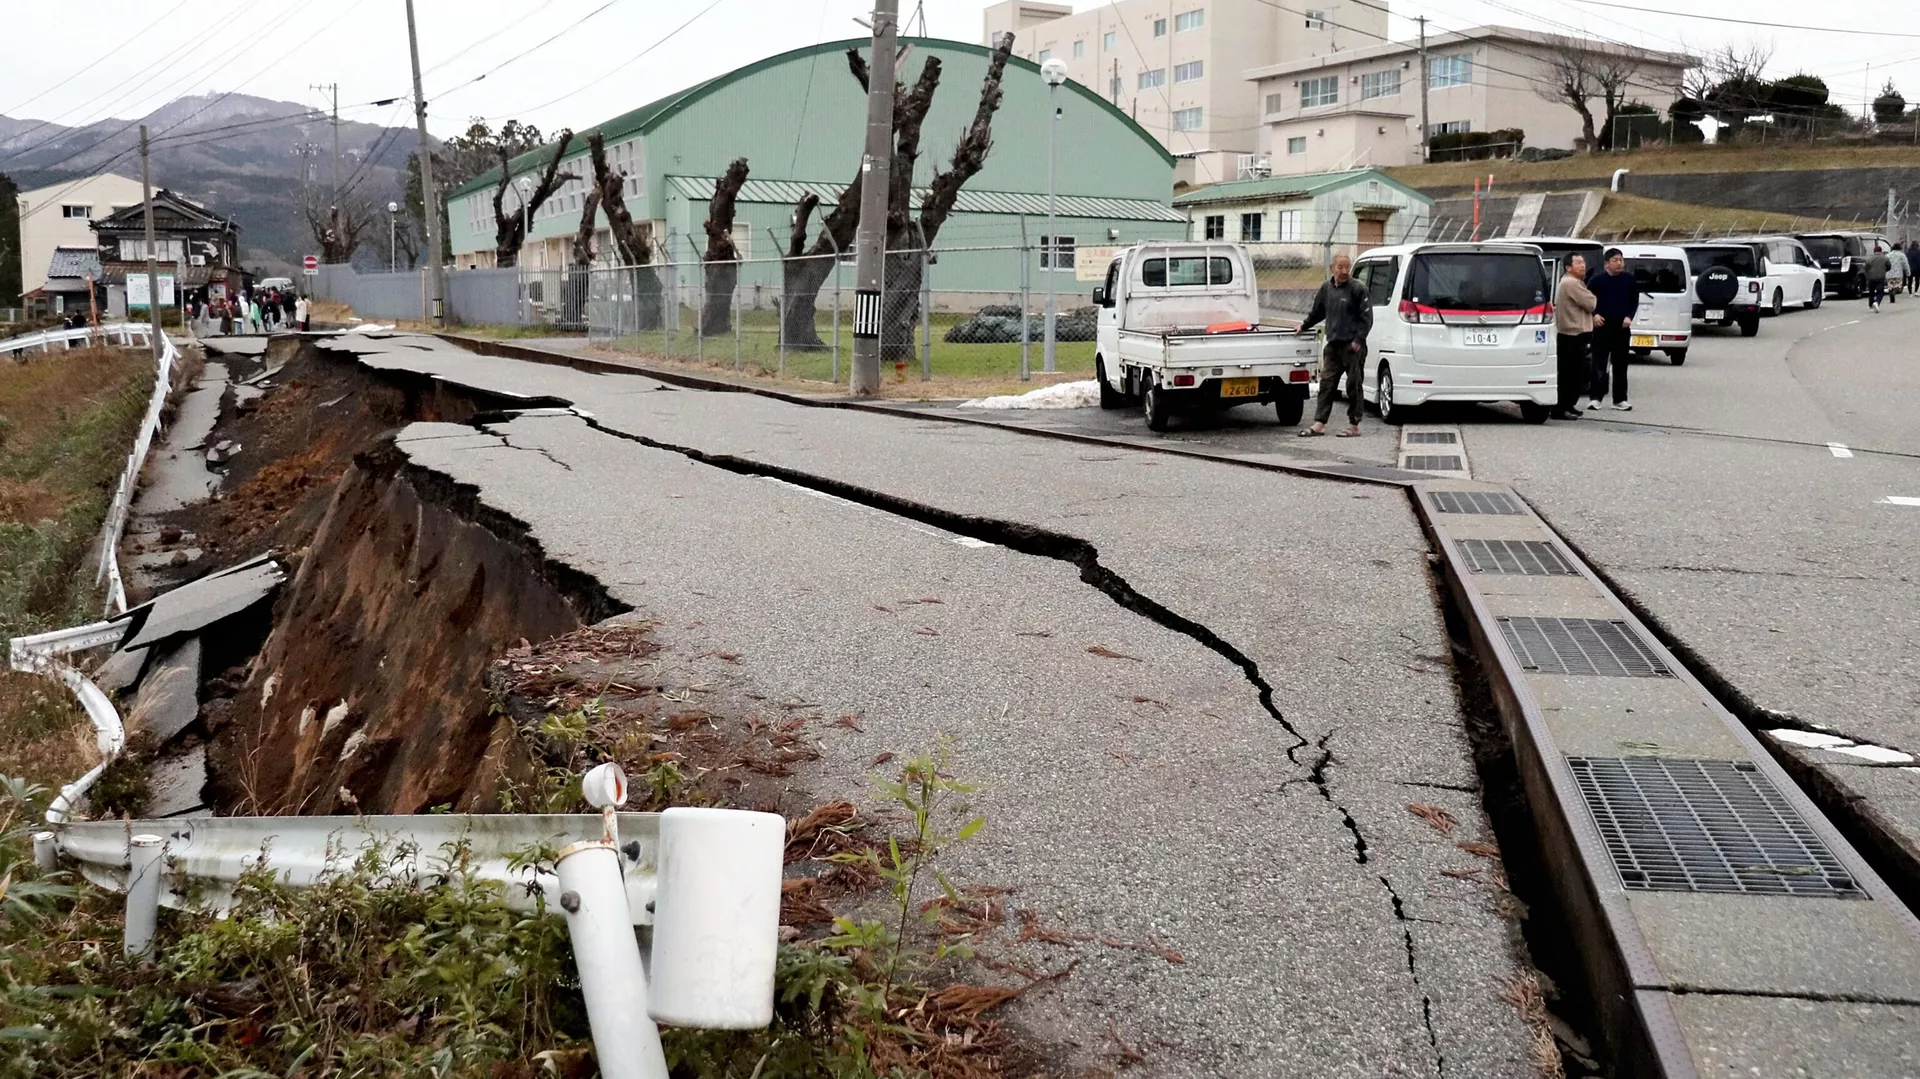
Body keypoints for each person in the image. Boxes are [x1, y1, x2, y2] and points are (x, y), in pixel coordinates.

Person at [1296, 253, 1374, 438]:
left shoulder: (1358, 289)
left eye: (1347, 267)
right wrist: (1304, 325)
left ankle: (1354, 424)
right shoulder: (1327, 288)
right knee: (1327, 384)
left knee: (1353, 385)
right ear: (1332, 268)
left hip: (1352, 347)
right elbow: (1318, 312)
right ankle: (1320, 423)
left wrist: (1358, 341)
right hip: (1333, 346)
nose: (1344, 271)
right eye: (1340, 267)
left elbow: (1367, 319)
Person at [1586, 248, 1639, 412]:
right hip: (1602, 326)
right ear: (1607, 263)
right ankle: (1595, 398)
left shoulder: (1629, 280)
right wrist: (1594, 315)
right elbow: (1588, 300)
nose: (1619, 263)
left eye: (1621, 260)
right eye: (1615, 260)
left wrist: (1630, 316)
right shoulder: (1597, 280)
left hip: (1621, 327)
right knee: (1599, 363)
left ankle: (1620, 399)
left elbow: (1634, 301)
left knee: (1621, 364)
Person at [1552, 254, 1598, 420]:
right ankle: (1560, 407)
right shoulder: (1570, 283)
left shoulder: (1574, 282)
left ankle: (1568, 405)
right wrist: (1592, 297)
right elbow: (1591, 303)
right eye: (1578, 263)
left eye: (1583, 262)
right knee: (1569, 374)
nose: (1583, 265)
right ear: (1568, 267)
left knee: (1574, 373)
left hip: (1573, 334)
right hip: (1572, 334)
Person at [1864, 244, 1891, 312]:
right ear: (1881, 251)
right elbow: (1889, 266)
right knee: (1880, 292)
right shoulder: (1885, 258)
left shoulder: (1870, 258)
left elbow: (1865, 267)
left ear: (1874, 251)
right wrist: (1884, 270)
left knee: (1871, 292)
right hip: (1880, 277)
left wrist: (1868, 274)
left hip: (1871, 277)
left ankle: (1870, 305)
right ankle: (1877, 302)